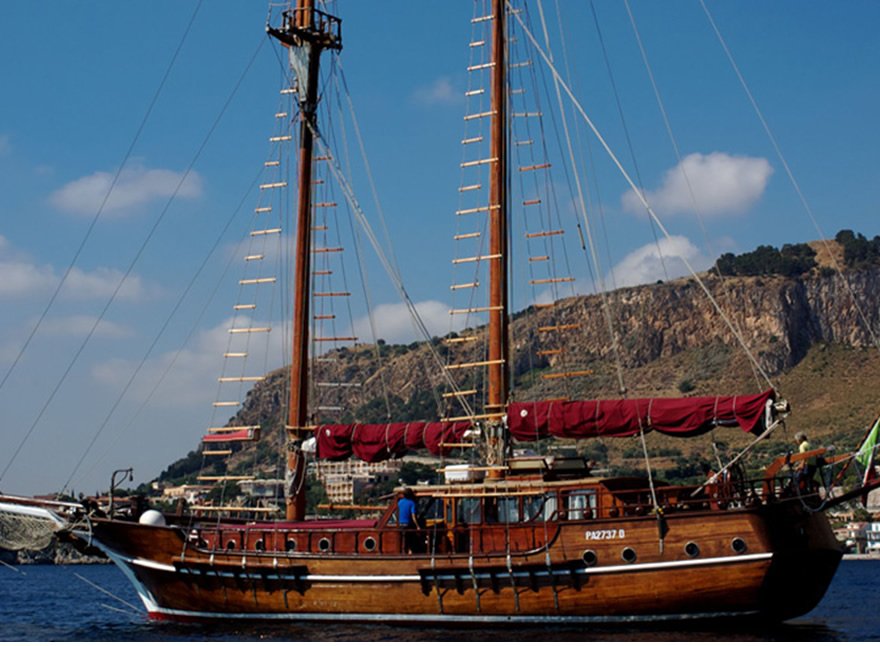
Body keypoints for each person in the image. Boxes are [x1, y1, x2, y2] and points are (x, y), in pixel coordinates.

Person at [397, 487, 420, 554]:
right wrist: (417, 526)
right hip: (407, 524)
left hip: (400, 524)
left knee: (403, 538)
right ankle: (411, 551)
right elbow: (413, 516)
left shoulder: (400, 502)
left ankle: (403, 551)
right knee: (412, 538)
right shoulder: (411, 503)